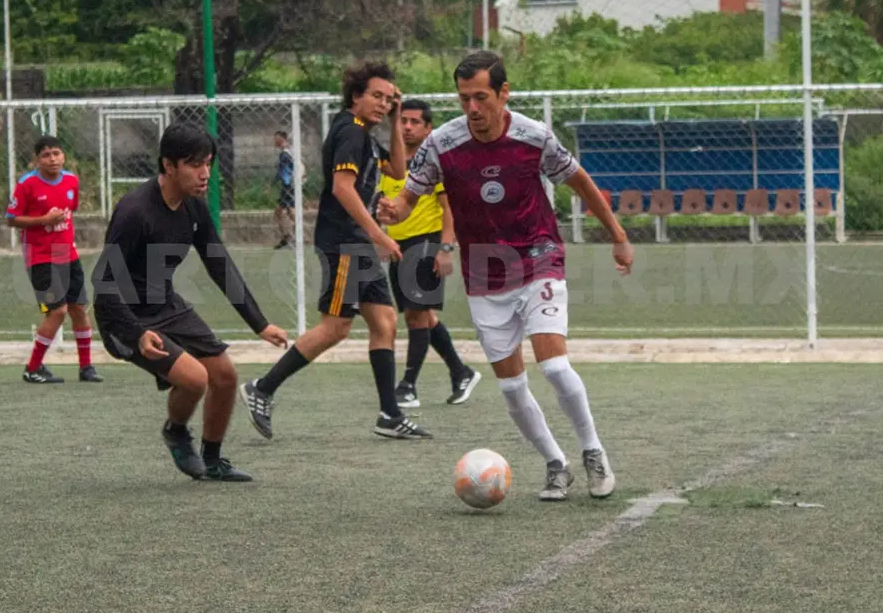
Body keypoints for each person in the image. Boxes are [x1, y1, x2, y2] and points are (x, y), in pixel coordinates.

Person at [378, 51, 635, 501]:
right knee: (513, 387)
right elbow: (410, 197)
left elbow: (581, 182)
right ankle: (556, 464)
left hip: (538, 259)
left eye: (481, 97)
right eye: (463, 99)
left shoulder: (534, 137)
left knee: (554, 365)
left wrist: (617, 234)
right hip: (485, 276)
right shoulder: (442, 144)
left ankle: (593, 452)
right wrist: (393, 208)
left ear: (503, 93)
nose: (472, 108)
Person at [239, 61, 433, 441]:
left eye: (388, 98)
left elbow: (397, 169)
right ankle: (261, 388)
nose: (382, 103)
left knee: (385, 324)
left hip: (357, 242)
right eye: (376, 96)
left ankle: (389, 416)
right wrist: (379, 234)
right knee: (335, 328)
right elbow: (343, 189)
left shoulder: (365, 133)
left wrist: (395, 119)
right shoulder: (350, 133)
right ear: (356, 96)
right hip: (345, 241)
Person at [91, 122, 289, 482]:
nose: (205, 173)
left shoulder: (193, 209)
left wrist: (259, 323)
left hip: (164, 305)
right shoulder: (135, 211)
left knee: (226, 376)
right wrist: (135, 333)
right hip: (122, 315)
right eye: (194, 164)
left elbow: (219, 265)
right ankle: (177, 432)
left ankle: (212, 460)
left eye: (208, 163)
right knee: (195, 379)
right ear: (169, 165)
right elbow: (102, 283)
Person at [378, 99, 481, 409]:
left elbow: (448, 208)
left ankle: (408, 385)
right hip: (399, 246)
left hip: (426, 243)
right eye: (402, 121)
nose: (407, 127)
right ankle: (461, 372)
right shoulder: (389, 163)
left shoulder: (433, 162)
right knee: (420, 315)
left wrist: (445, 248)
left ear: (428, 128)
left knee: (417, 316)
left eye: (414, 122)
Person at [6, 135, 102, 384]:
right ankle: (33, 368)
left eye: (56, 153)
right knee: (57, 312)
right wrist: (43, 221)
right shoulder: (27, 184)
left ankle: (86, 367)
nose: (52, 159)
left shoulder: (71, 180)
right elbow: (12, 218)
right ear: (37, 160)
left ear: (64, 156)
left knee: (79, 308)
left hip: (68, 254)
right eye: (46, 155)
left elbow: (72, 210)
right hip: (40, 257)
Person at [273, 131, 296, 249]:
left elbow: (284, 171)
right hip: (289, 186)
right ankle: (289, 237)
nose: (274, 141)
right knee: (286, 211)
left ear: (281, 138)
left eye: (275, 138)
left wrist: (273, 183)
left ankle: (290, 238)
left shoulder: (285, 154)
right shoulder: (288, 151)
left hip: (288, 186)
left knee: (284, 212)